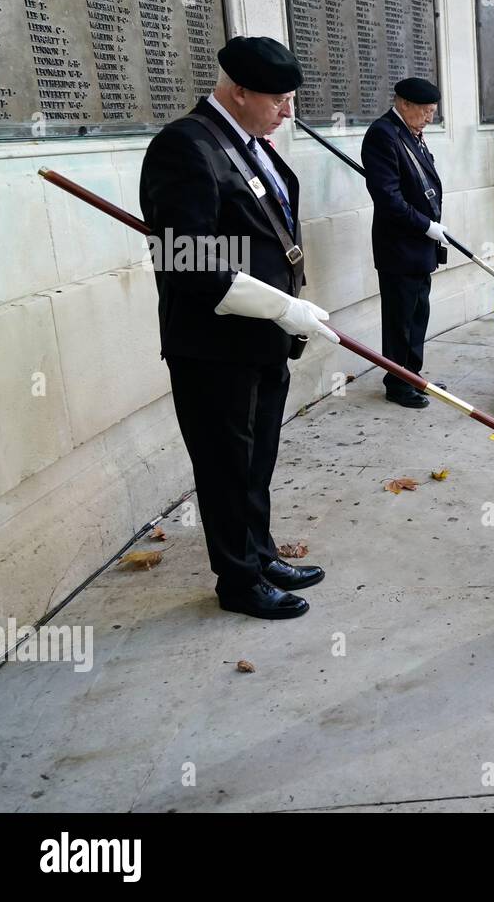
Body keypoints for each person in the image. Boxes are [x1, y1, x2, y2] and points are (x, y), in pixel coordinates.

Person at [139, 36, 334, 620]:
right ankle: (238, 581)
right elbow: (183, 256)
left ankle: (258, 550)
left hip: (262, 340)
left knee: (257, 458)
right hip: (214, 346)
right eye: (277, 99)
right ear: (238, 90)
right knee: (225, 465)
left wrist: (283, 310)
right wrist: (275, 304)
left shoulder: (248, 142)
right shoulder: (186, 146)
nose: (288, 111)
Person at [362, 78, 447, 408]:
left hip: (420, 245)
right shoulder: (384, 135)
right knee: (399, 319)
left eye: (433, 112)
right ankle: (397, 383)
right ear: (404, 104)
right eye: (425, 111)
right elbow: (388, 198)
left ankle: (413, 375)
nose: (429, 117)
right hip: (400, 245)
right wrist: (426, 225)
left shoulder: (411, 134)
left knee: (418, 313)